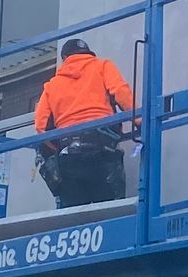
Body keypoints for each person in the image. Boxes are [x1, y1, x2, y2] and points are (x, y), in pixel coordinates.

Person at [33, 36, 136, 207]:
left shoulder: (52, 85)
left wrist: (55, 147)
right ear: (88, 53)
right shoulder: (102, 66)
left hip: (69, 158)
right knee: (109, 214)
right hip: (103, 151)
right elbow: (121, 93)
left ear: (64, 59)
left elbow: (40, 126)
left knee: (74, 219)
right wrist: (139, 120)